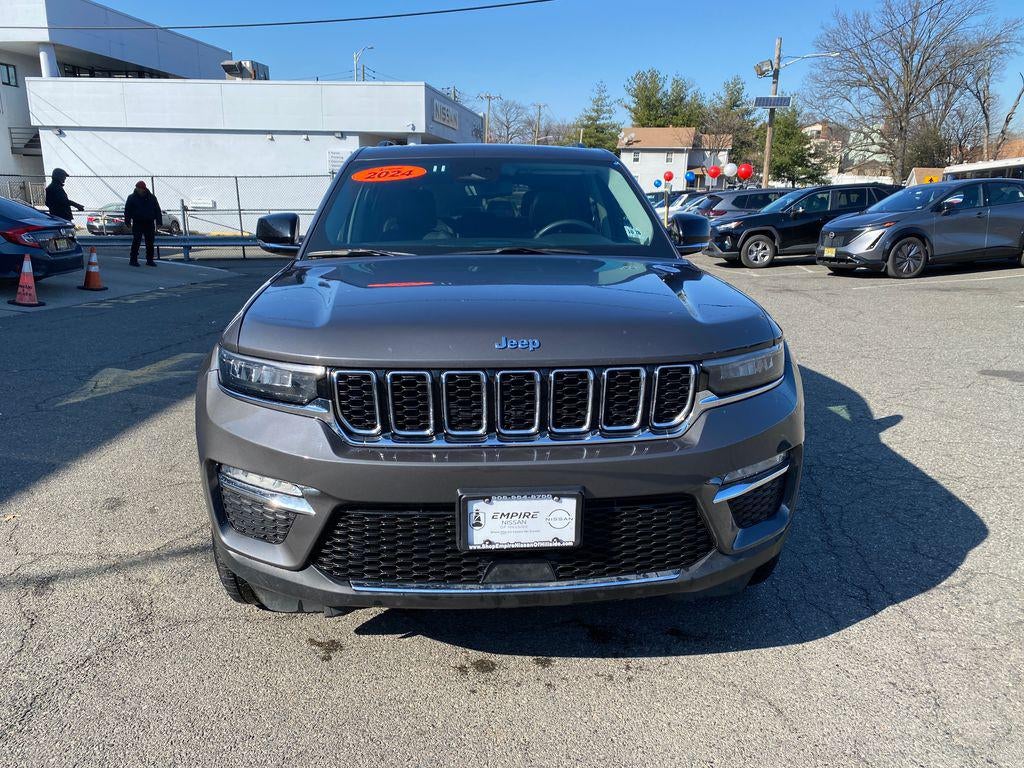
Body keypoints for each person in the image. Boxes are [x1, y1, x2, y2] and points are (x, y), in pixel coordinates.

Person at [124, 180, 163, 267]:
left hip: (149, 222)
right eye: (138, 188)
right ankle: (133, 260)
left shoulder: (152, 198)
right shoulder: (132, 198)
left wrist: (159, 222)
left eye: (141, 188)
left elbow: (157, 210)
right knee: (136, 241)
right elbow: (127, 211)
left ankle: (150, 260)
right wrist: (127, 221)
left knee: (150, 242)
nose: (139, 190)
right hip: (137, 222)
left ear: (144, 189)